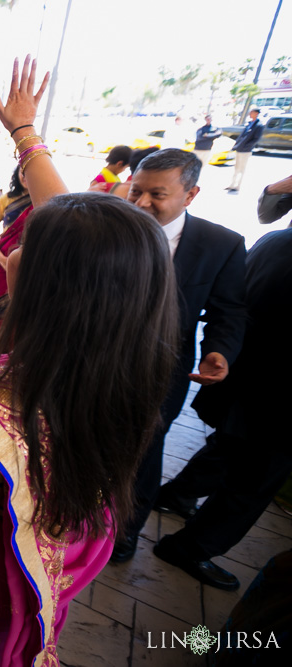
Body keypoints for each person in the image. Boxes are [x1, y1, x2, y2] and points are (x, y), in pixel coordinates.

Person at [0, 56, 179, 667]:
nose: (14, 246)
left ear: (50, 289)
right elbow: (94, 248)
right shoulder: (123, 371)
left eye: (28, 242)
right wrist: (25, 134)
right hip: (49, 577)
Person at [110, 147, 247, 563]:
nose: (142, 203)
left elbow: (229, 310)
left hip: (162, 367)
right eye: (136, 192)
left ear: (190, 194)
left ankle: (126, 529)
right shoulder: (110, 227)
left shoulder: (220, 244)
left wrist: (219, 351)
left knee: (145, 447)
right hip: (98, 354)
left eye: (157, 194)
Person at [153, 226, 292, 590]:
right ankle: (190, 547)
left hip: (242, 371)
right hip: (276, 392)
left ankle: (178, 493)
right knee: (253, 482)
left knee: (229, 446)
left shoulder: (277, 239)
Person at [0, 166, 33, 355]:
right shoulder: (7, 199)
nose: (25, 176)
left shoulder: (44, 200)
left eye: (30, 172)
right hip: (2, 263)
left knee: (23, 312)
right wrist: (2, 259)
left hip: (30, 266)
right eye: (22, 171)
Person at [226, 108, 263, 193]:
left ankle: (237, 186)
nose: (250, 113)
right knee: (236, 167)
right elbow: (242, 136)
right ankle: (232, 184)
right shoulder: (249, 124)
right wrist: (236, 146)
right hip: (239, 149)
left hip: (245, 150)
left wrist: (246, 147)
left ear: (256, 113)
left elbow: (256, 139)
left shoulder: (259, 125)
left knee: (241, 168)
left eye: (252, 112)